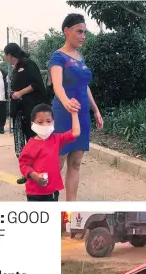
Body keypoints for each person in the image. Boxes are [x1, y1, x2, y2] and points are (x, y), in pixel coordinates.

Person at [49, 13, 103, 201]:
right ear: (67, 31)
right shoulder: (58, 57)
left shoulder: (80, 57)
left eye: (84, 32)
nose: (83, 36)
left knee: (76, 163)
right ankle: (45, 199)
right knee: (57, 161)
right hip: (64, 114)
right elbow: (57, 85)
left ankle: (70, 204)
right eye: (79, 32)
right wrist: (66, 103)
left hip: (81, 115)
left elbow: (84, 86)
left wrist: (95, 109)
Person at [4, 43, 48, 185]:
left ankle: (38, 172)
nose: (5, 58)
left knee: (33, 140)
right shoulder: (16, 68)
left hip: (31, 109)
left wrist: (20, 93)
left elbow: (36, 84)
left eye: (5, 56)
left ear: (10, 55)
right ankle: (28, 173)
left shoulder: (29, 64)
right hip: (20, 109)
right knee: (22, 143)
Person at [18, 102, 80, 202]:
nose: (45, 125)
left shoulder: (56, 139)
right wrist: (35, 176)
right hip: (35, 194)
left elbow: (75, 132)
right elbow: (24, 165)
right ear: (32, 124)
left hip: (52, 192)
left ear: (53, 122)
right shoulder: (30, 146)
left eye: (48, 121)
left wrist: (74, 113)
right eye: (40, 122)